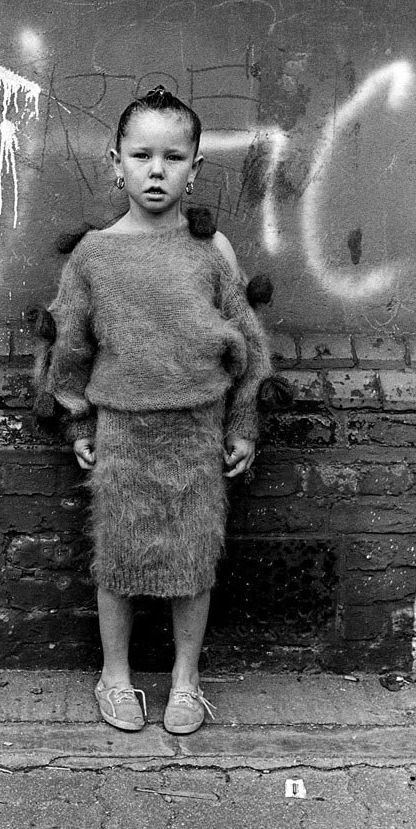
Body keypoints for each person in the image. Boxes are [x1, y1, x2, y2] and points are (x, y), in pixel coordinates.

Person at [39, 86, 272, 734]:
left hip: (195, 429)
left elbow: (247, 345)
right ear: (115, 162)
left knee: (194, 561)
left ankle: (184, 682)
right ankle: (113, 676)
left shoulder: (211, 251)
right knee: (117, 559)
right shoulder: (94, 256)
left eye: (173, 157)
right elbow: (71, 347)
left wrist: (242, 422)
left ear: (194, 168)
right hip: (123, 431)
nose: (155, 169)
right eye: (141, 155)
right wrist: (81, 420)